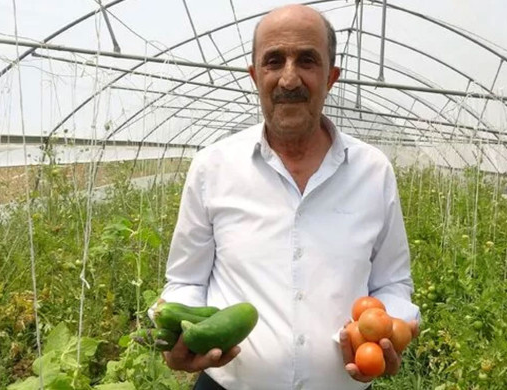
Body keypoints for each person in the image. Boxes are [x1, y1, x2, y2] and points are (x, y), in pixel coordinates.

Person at [149, 4, 421, 389]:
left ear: (331, 77)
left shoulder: (373, 171)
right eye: (274, 61)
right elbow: (186, 280)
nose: (289, 79)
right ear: (254, 75)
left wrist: (388, 329)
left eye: (307, 60)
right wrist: (183, 335)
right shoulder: (213, 167)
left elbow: (393, 282)